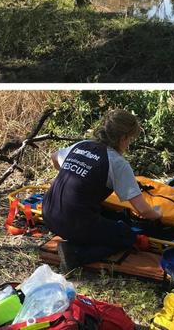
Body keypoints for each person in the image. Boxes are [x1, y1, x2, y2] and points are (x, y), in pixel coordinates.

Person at [42, 109, 162, 273]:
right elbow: (142, 209)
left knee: (110, 217)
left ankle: (79, 238)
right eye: (131, 139)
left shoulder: (81, 145)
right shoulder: (117, 163)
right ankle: (75, 254)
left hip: (48, 212)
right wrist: (157, 214)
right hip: (71, 222)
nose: (129, 144)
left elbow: (54, 157)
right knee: (126, 235)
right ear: (123, 138)